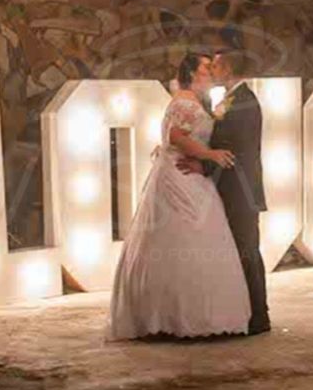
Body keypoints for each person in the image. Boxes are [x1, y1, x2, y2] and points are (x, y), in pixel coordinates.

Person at [107, 53, 251, 340]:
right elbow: (175, 136)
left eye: (212, 67)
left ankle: (201, 315)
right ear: (192, 73)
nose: (211, 71)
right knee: (179, 238)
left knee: (200, 238)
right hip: (179, 177)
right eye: (206, 67)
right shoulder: (184, 101)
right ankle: (172, 316)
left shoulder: (198, 101)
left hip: (193, 176)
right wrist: (210, 154)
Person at [179, 49, 271, 335]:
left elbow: (236, 150)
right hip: (231, 188)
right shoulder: (231, 100)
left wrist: (203, 166)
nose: (212, 69)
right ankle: (244, 313)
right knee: (239, 251)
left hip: (241, 190)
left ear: (229, 69)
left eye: (216, 65)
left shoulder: (244, 102)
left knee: (247, 251)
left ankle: (259, 316)